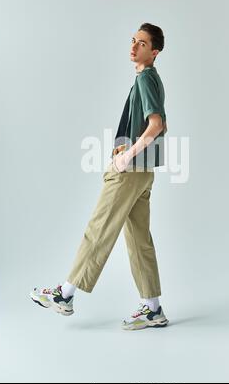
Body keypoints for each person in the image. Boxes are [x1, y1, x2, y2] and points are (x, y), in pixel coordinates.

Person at [30, 22, 169, 331]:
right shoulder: (150, 79)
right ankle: (152, 308)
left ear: (154, 51)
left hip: (131, 170)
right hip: (144, 173)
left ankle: (65, 295)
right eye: (133, 40)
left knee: (99, 228)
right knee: (139, 239)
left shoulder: (146, 78)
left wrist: (126, 157)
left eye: (142, 43)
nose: (134, 47)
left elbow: (156, 124)